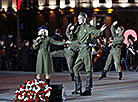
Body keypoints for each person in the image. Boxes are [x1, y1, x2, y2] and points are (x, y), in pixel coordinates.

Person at [69, 12, 106, 96]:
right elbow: (72, 38)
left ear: (84, 19)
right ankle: (78, 89)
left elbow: (94, 32)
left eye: (79, 18)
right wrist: (71, 30)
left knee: (88, 69)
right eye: (77, 19)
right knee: (75, 68)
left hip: (86, 49)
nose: (78, 20)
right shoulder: (78, 28)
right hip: (81, 50)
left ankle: (88, 89)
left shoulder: (87, 27)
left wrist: (100, 31)